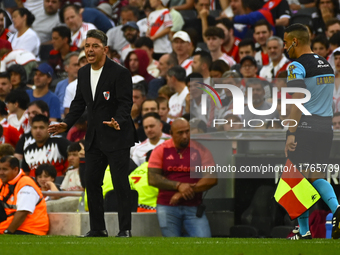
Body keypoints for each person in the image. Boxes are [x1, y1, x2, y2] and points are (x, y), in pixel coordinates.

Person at [48, 29, 138, 238]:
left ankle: (125, 229)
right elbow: (78, 104)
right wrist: (66, 124)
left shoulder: (120, 72)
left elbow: (126, 103)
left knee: (119, 182)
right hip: (94, 138)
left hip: (117, 136)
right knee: (91, 182)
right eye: (87, 46)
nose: (90, 50)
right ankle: (98, 228)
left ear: (105, 49)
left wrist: (119, 120)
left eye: (94, 46)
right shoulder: (83, 72)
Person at [283, 23, 340, 239]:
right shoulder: (326, 64)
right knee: (317, 175)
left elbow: (298, 100)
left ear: (295, 42)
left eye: (286, 42)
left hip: (305, 128)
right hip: (325, 129)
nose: (285, 47)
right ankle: (337, 209)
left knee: (297, 179)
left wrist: (291, 134)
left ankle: (304, 231)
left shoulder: (296, 66)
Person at [148, 118, 217, 237]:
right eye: (180, 133)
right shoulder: (160, 150)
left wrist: (184, 192)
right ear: (171, 133)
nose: (185, 136)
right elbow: (152, 178)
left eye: (187, 131)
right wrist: (178, 185)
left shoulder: (200, 150)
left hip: (193, 206)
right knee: (173, 246)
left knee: (204, 242)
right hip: (167, 206)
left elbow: (212, 178)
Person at [0, 155, 49, 235]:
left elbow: (23, 212)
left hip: (30, 228)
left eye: (5, 170)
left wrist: (8, 232)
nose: (1, 173)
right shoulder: (4, 182)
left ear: (15, 169)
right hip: (11, 224)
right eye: (0, 169)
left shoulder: (26, 185)